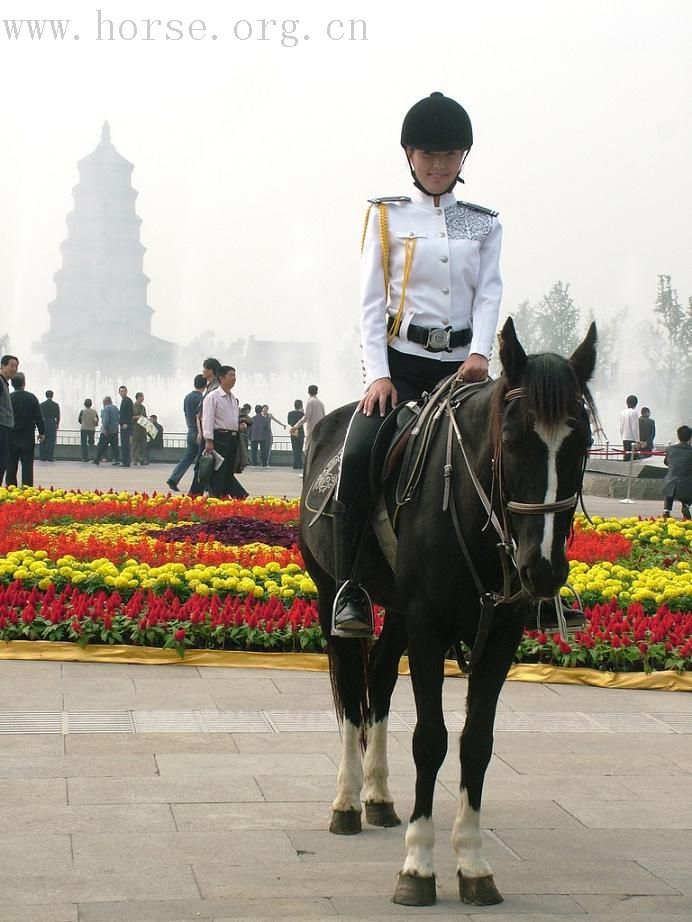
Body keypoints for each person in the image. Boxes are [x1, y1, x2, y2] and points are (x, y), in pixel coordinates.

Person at [329, 91, 503, 635]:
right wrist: (377, 374)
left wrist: (480, 352)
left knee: (518, 453)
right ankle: (351, 587)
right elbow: (370, 303)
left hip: (465, 372)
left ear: (463, 159)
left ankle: (531, 586)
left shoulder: (484, 224)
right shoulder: (385, 216)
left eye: (449, 155)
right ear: (409, 155)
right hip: (401, 367)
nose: (437, 165)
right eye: (427, 154)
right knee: (358, 453)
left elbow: (489, 295)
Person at [201, 365, 247, 498]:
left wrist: (239, 425)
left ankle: (225, 497)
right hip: (219, 437)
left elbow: (230, 418)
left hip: (232, 438)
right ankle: (223, 497)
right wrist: (209, 440)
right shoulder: (213, 397)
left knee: (228, 470)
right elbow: (207, 419)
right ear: (221, 378)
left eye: (234, 375)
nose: (234, 378)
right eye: (231, 375)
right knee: (219, 471)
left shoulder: (232, 398)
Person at [167, 374, 206, 492]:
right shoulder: (200, 398)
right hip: (199, 432)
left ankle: (174, 478)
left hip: (190, 430)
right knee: (203, 460)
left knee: (187, 458)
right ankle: (204, 484)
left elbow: (186, 414)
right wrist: (200, 432)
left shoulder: (187, 397)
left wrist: (190, 428)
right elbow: (198, 416)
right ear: (205, 385)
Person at [189, 358, 222, 496]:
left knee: (204, 464)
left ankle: (194, 494)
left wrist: (205, 435)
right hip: (207, 431)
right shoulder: (210, 386)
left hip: (210, 432)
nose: (202, 371)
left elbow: (208, 413)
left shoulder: (215, 388)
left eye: (204, 368)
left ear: (211, 371)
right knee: (205, 464)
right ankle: (196, 493)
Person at [6, 373, 44, 487]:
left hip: (11, 435)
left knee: (11, 464)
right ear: (24, 383)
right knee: (27, 465)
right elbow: (38, 417)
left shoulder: (8, 398)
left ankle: (11, 489)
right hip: (27, 435)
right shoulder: (31, 398)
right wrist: (42, 432)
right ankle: (27, 489)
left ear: (12, 384)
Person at [662, 426, 692, 519]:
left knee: (671, 479)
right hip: (686, 484)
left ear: (678, 436)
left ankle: (666, 510)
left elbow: (666, 462)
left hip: (669, 483)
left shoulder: (670, 449)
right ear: (690, 438)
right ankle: (686, 505)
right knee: (687, 480)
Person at [290, 384, 325, 453]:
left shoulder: (310, 402)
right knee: (317, 449)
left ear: (308, 392)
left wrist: (295, 427)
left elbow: (306, 417)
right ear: (317, 392)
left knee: (308, 449)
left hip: (312, 429)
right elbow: (324, 416)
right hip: (319, 429)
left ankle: (308, 463)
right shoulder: (321, 403)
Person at [0, 354, 18, 485]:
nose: (15, 368)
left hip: (5, 428)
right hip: (1, 427)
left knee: (3, 462)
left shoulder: (5, 384)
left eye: (16, 366)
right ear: (2, 366)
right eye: (12, 365)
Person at [92, 397, 120, 464]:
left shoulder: (106, 409)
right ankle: (117, 459)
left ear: (105, 402)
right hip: (115, 430)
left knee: (101, 445)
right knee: (115, 446)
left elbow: (106, 421)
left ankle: (97, 459)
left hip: (107, 431)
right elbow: (118, 419)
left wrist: (105, 429)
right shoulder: (116, 408)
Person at [115, 385, 134, 467]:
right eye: (121, 391)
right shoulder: (123, 401)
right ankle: (125, 461)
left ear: (127, 392)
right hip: (123, 425)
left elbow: (130, 413)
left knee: (125, 444)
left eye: (124, 391)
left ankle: (126, 462)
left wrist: (126, 423)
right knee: (124, 444)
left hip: (126, 426)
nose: (122, 393)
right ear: (119, 392)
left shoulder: (128, 401)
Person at [39, 390, 60, 461]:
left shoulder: (42, 404)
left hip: (44, 422)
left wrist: (40, 424)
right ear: (52, 395)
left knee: (43, 439)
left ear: (46, 395)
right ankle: (50, 457)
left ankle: (42, 457)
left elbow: (39, 416)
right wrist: (57, 424)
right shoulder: (56, 405)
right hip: (52, 422)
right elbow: (58, 416)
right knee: (51, 441)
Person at [619, 395, 640, 462]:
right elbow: (635, 428)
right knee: (632, 458)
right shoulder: (634, 413)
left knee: (626, 456)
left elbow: (621, 427)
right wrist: (637, 440)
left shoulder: (622, 413)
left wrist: (622, 436)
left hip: (625, 438)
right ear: (636, 404)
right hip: (632, 439)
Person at [131, 392, 149, 465]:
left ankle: (143, 459)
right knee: (135, 444)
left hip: (143, 427)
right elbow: (130, 417)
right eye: (142, 397)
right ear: (138, 397)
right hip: (135, 428)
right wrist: (138, 417)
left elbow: (145, 416)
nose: (143, 399)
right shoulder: (133, 406)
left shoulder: (143, 407)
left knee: (143, 444)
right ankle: (134, 459)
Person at [287, 399, 305, 469]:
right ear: (301, 405)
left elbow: (289, 422)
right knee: (300, 449)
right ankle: (299, 464)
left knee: (295, 449)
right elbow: (304, 420)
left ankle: (295, 464)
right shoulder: (302, 414)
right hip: (300, 432)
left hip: (293, 432)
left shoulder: (290, 413)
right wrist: (303, 412)